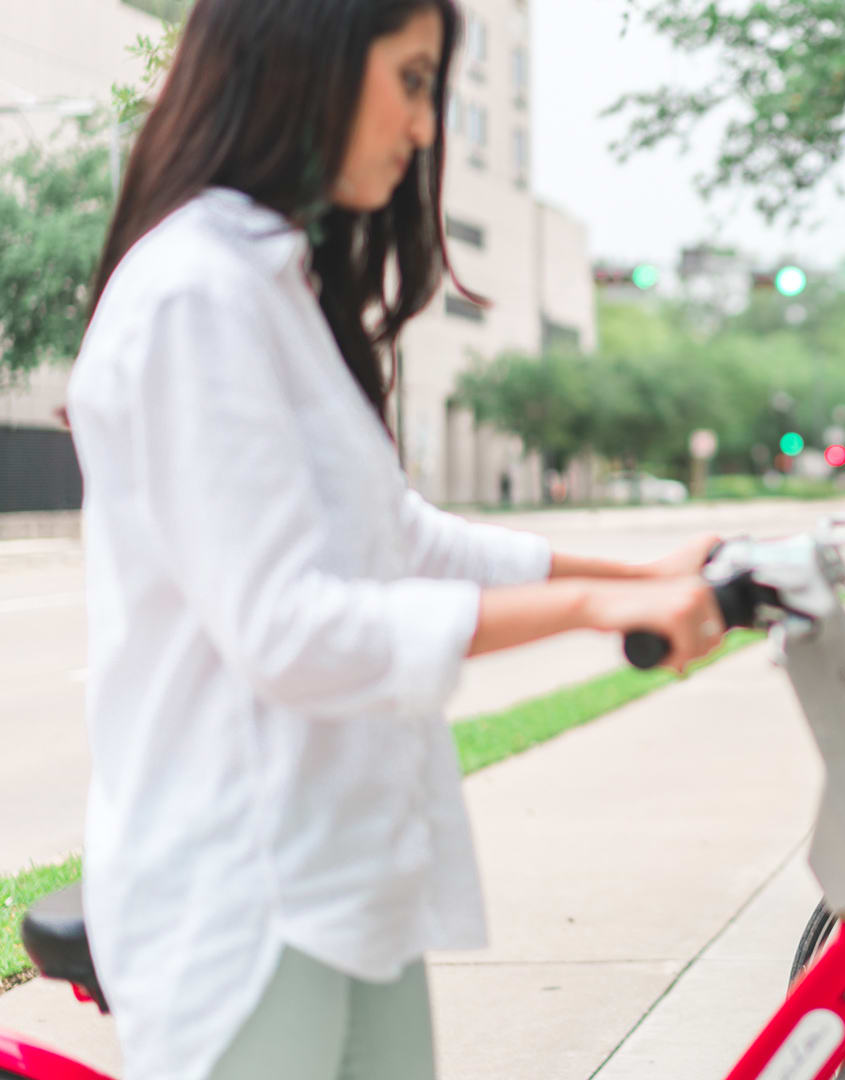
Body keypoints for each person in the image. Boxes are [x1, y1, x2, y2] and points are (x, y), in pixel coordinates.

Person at [63, 2, 726, 1077]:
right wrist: (590, 608)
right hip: (242, 896)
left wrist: (636, 572)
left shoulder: (276, 283)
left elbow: (397, 538)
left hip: (341, 874)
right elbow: (287, 629)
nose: (424, 129)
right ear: (307, 52)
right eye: (413, 80)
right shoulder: (195, 294)